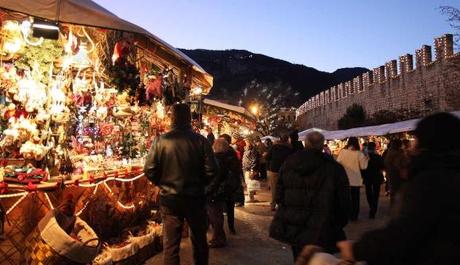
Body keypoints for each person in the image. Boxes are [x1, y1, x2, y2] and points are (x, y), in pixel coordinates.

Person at [338, 112, 460, 265]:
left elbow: (403, 234)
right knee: (360, 197)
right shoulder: (445, 174)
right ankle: (364, 212)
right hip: (357, 179)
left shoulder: (428, 181)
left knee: (354, 198)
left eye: (416, 139)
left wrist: (357, 249)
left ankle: (355, 215)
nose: (412, 144)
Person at [144, 104, 219, 265]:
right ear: (189, 119)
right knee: (199, 242)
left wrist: (162, 183)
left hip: (170, 199)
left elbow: (149, 169)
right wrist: (201, 185)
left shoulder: (161, 141)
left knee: (171, 245)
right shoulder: (201, 141)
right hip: (195, 198)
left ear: (172, 118)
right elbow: (212, 170)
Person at [270, 131, 350, 262]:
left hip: (295, 225)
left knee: (300, 258)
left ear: (305, 143)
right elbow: (343, 200)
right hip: (323, 226)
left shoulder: (290, 163)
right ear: (322, 145)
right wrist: (339, 222)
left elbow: (279, 193)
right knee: (321, 260)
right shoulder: (334, 168)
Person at [207, 138, 239, 247]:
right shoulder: (228, 157)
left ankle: (219, 239)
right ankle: (221, 237)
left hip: (216, 191)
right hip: (223, 191)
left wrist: (208, 189)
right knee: (217, 214)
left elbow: (216, 178)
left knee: (215, 215)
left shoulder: (217, 159)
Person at [337, 137, 368, 221]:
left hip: (344, 179)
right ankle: (354, 216)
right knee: (355, 198)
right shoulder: (359, 153)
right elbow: (363, 166)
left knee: (345, 198)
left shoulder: (343, 152)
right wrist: (367, 158)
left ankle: (346, 214)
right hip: (355, 180)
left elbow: (338, 163)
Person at [218, 134, 243, 234]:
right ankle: (227, 228)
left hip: (227, 185)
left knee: (227, 207)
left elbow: (235, 170)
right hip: (228, 185)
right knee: (226, 208)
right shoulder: (224, 153)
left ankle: (229, 227)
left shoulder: (228, 153)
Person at [265, 134, 293, 211]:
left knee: (274, 188)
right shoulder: (290, 148)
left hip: (274, 170)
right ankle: (282, 204)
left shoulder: (274, 147)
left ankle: (273, 205)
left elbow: (267, 157)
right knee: (283, 187)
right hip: (285, 170)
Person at [361, 142, 384, 219]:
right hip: (377, 177)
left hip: (367, 177)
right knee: (376, 194)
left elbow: (362, 168)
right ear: (374, 148)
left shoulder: (365, 157)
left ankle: (372, 206)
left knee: (369, 193)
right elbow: (383, 166)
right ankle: (373, 209)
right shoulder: (378, 157)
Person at [384, 139, 409, 206]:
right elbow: (404, 163)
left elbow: (386, 163)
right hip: (398, 173)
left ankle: (393, 205)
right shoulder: (399, 153)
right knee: (400, 191)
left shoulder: (389, 152)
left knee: (393, 191)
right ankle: (398, 206)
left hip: (391, 173)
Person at [242, 137, 260, 202]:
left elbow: (254, 160)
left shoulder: (253, 150)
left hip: (249, 169)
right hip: (246, 168)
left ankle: (251, 198)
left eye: (246, 141)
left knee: (250, 183)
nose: (245, 143)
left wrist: (252, 169)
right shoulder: (246, 149)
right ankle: (251, 197)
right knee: (248, 183)